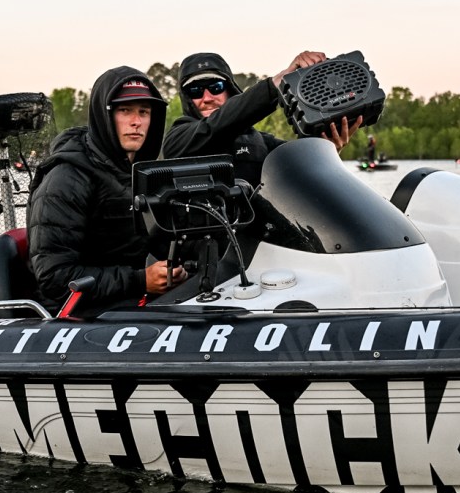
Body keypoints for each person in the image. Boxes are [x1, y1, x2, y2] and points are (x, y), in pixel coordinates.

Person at [27, 67, 185, 314]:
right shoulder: (66, 179)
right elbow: (54, 277)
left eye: (144, 112)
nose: (136, 122)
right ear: (105, 115)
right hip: (74, 313)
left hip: (123, 301)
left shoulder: (139, 173)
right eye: (125, 111)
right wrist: (140, 280)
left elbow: (161, 239)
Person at [163, 51, 361, 186]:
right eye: (195, 91)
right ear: (187, 98)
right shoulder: (178, 140)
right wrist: (276, 84)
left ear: (230, 89)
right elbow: (215, 126)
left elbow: (303, 169)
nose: (207, 98)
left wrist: (326, 148)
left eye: (216, 87)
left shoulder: (262, 143)